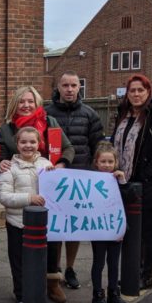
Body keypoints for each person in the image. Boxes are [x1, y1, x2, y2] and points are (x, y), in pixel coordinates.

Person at [0, 85, 75, 303]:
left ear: (37, 102)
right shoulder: (7, 129)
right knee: (20, 252)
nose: (26, 105)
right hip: (21, 187)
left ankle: (52, 283)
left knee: (51, 245)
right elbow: (0, 155)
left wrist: (59, 166)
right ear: (15, 103)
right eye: (22, 101)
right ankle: (23, 292)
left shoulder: (50, 123)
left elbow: (69, 149)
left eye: (30, 101)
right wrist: (0, 162)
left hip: (48, 190)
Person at [112, 73, 152, 290]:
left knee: (147, 231)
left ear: (148, 92)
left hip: (148, 184)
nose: (136, 94)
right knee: (130, 230)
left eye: (141, 90)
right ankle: (132, 271)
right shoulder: (124, 113)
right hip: (125, 182)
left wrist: (145, 175)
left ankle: (146, 275)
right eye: (132, 90)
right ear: (127, 93)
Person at [45, 71, 104, 290]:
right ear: (58, 87)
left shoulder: (90, 114)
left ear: (79, 88)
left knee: (75, 229)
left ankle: (70, 268)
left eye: (74, 85)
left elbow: (98, 146)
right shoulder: (46, 113)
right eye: (65, 85)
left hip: (80, 179)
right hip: (53, 180)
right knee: (56, 228)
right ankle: (56, 268)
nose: (70, 89)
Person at [0, 126, 56, 303]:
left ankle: (38, 297)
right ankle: (22, 298)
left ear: (39, 143)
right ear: (17, 144)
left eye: (32, 142)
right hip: (18, 224)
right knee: (20, 264)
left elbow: (56, 190)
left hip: (42, 225)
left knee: (40, 265)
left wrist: (55, 174)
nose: (28, 145)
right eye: (23, 142)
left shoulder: (46, 164)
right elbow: (3, 196)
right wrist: (29, 199)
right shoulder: (9, 168)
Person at [89, 141, 132, 303]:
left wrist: (122, 182)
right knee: (98, 262)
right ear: (96, 163)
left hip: (115, 228)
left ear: (116, 163)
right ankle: (97, 294)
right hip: (98, 229)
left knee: (114, 262)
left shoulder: (119, 179)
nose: (107, 165)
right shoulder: (90, 181)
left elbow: (129, 200)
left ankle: (114, 293)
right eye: (103, 162)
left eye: (110, 162)